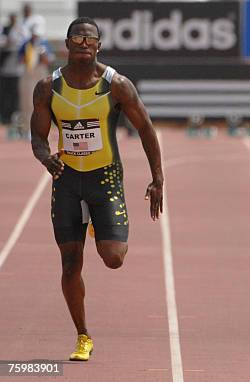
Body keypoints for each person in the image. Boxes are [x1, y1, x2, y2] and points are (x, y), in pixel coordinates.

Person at [30, 17, 164, 361]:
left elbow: (146, 128)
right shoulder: (48, 87)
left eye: (91, 39)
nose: (84, 43)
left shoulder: (116, 85)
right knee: (71, 264)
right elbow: (38, 136)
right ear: (67, 42)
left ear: (99, 46)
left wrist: (157, 178)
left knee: (114, 258)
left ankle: (96, 227)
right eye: (78, 37)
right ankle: (82, 335)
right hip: (68, 181)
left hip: (105, 180)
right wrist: (47, 158)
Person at [18, 22, 53, 139]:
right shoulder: (25, 44)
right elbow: (20, 60)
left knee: (43, 102)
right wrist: (30, 52)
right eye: (34, 34)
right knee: (28, 103)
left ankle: (43, 130)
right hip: (28, 74)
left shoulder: (44, 43)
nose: (35, 37)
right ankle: (28, 129)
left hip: (41, 73)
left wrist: (41, 53)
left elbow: (48, 60)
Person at [0, 13, 22, 130]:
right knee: (4, 95)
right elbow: (3, 42)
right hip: (4, 71)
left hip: (16, 71)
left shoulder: (20, 29)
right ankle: (5, 117)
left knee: (15, 95)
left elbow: (22, 43)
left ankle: (14, 117)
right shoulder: (5, 29)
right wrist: (7, 43)